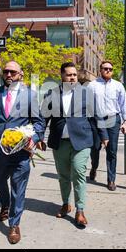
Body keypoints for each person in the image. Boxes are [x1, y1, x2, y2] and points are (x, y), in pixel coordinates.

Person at [0, 61, 45, 244]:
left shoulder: (30, 96)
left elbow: (39, 122)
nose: (9, 75)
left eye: (13, 72)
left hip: (21, 152)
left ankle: (14, 224)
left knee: (19, 188)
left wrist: (33, 139)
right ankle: (5, 204)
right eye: (6, 72)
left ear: (20, 74)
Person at [41, 62, 108, 228]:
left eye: (74, 75)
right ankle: (66, 204)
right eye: (69, 74)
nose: (72, 77)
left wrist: (104, 135)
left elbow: (97, 116)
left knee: (78, 172)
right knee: (63, 176)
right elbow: (43, 118)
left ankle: (80, 210)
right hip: (59, 142)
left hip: (81, 140)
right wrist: (39, 136)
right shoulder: (52, 93)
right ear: (62, 76)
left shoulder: (86, 93)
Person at [88, 61, 126, 191]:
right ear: (100, 70)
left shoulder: (118, 86)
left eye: (110, 69)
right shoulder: (92, 85)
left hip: (113, 120)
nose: (108, 70)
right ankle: (94, 167)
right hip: (96, 120)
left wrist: (125, 121)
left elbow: (123, 105)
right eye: (105, 68)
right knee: (95, 148)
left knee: (112, 151)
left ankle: (111, 179)